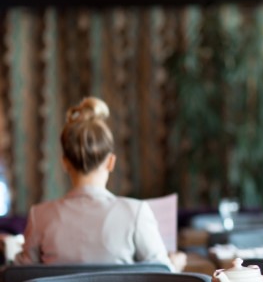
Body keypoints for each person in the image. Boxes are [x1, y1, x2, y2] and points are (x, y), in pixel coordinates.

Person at [13, 97, 185, 271]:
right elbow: (161, 273)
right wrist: (175, 265)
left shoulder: (39, 217)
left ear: (65, 163)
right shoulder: (136, 213)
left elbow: (19, 277)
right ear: (111, 162)